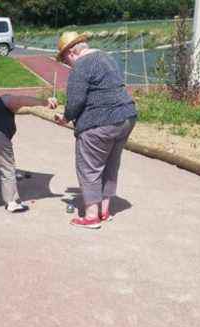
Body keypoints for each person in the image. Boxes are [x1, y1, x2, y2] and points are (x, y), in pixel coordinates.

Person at [54, 31, 138, 229]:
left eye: (65, 60)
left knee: (89, 166)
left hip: (99, 122)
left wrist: (65, 118)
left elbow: (75, 101)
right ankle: (105, 211)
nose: (66, 64)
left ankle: (91, 216)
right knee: (110, 164)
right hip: (126, 117)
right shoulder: (107, 58)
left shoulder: (81, 66)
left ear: (70, 53)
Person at [0, 94, 57, 212]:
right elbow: (21, 99)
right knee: (7, 168)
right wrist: (45, 102)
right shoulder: (4, 100)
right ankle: (12, 202)